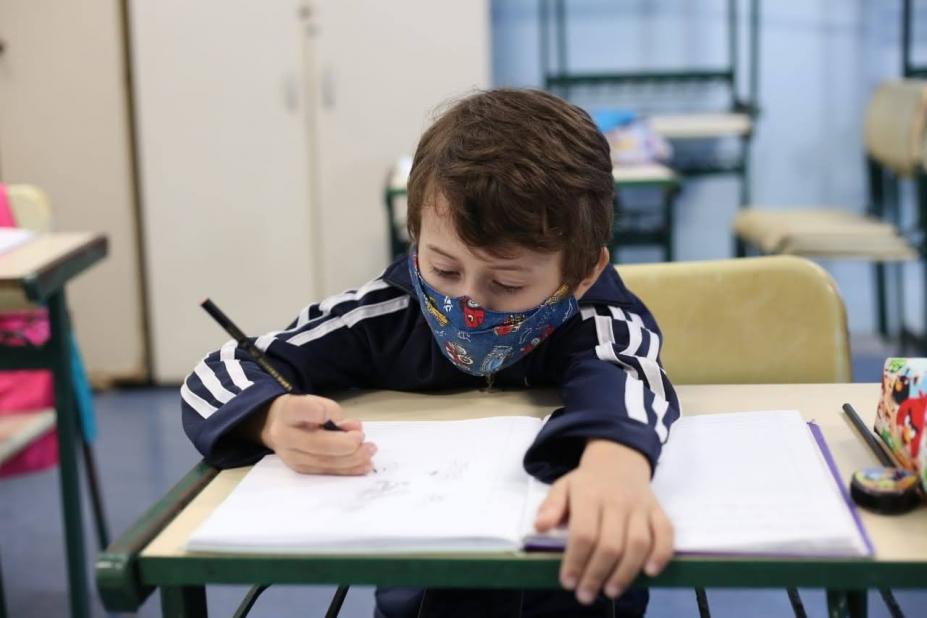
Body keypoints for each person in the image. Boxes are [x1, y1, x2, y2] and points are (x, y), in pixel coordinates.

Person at [181, 88, 680, 617]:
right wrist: (270, 417)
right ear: (414, 236)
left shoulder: (597, 318)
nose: (466, 303)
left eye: (508, 283)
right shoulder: (386, 312)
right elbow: (226, 369)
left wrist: (615, 462)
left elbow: (629, 376)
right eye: (443, 269)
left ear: (584, 275)